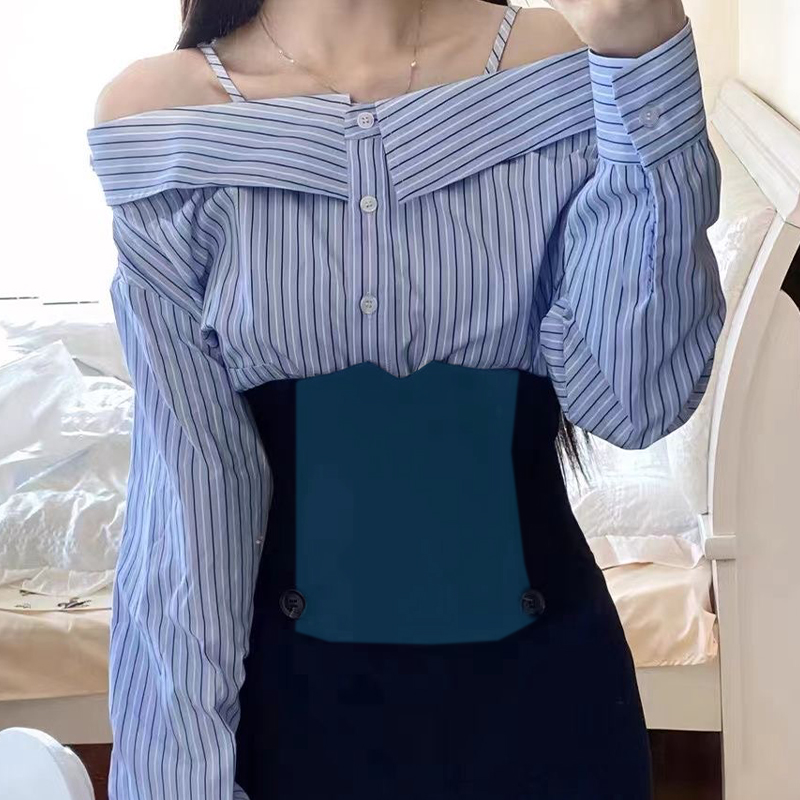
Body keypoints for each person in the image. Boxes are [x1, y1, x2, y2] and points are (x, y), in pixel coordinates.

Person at [86, 0, 726, 798]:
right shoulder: (163, 120)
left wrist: (642, 47)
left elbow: (635, 399)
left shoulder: (561, 63)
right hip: (295, 729)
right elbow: (187, 503)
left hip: (552, 709)